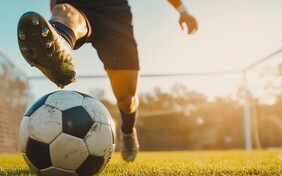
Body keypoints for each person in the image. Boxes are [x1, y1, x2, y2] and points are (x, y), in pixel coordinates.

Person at [17, 0, 198, 162]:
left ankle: (128, 131)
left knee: (127, 99)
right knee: (65, 11)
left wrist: (182, 10)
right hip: (77, 5)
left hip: (115, 13)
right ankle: (61, 42)